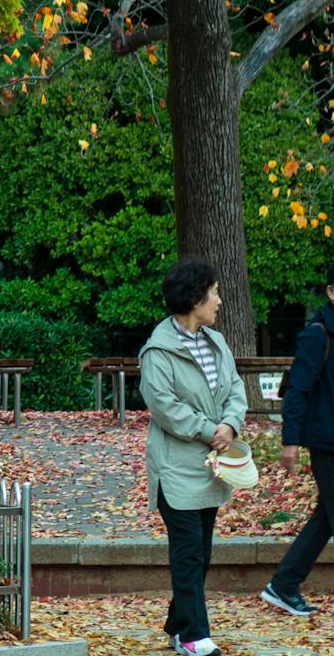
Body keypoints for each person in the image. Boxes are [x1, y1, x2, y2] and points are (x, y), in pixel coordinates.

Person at [141, 258, 246, 656]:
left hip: (211, 467)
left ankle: (176, 624)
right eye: (214, 292)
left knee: (199, 556)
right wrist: (209, 430)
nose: (219, 300)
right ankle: (193, 636)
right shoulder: (158, 350)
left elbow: (235, 388)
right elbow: (164, 407)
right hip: (176, 468)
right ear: (195, 297)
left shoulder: (215, 342)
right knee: (187, 554)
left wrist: (231, 425)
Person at [260, 261, 334, 616]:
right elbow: (297, 391)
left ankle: (283, 584)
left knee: (326, 517)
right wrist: (290, 442)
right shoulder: (317, 334)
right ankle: (283, 584)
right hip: (327, 443)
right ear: (332, 292)